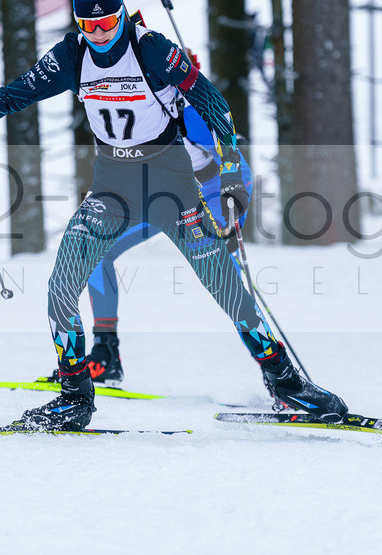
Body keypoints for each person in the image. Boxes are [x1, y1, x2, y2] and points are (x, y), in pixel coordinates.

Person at [0, 0, 346, 430]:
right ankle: (75, 396)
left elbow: (215, 106)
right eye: (87, 26)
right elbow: (15, 93)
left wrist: (230, 172)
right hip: (112, 186)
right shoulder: (72, 56)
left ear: (120, 16)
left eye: (107, 22)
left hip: (172, 186)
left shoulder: (152, 48)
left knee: (228, 290)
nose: (99, 34)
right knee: (61, 285)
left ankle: (287, 385)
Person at [73, 104, 254, 387]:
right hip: (162, 198)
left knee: (228, 282)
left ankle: (277, 375)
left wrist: (231, 213)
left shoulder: (189, 115)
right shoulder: (124, 116)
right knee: (98, 251)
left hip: (209, 196)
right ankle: (105, 355)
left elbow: (238, 167)